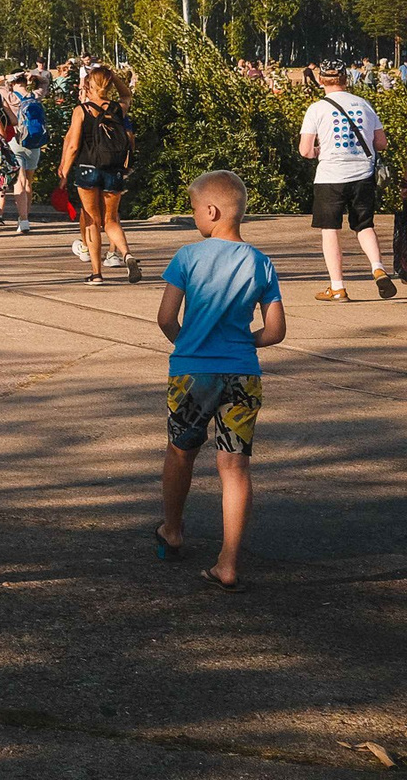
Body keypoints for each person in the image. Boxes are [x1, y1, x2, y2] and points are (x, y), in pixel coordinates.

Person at [156, 170, 286, 592]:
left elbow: (165, 318)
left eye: (195, 209)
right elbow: (275, 331)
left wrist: (190, 343)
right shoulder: (261, 262)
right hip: (242, 373)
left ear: (210, 211)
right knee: (234, 466)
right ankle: (228, 562)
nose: (195, 216)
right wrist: (242, 343)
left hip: (192, 371)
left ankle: (172, 531)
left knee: (181, 453)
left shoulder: (188, 258)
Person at [298, 60, 392, 301]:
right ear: (345, 79)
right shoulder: (364, 105)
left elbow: (305, 151)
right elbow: (380, 143)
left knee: (330, 231)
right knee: (364, 225)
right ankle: (377, 267)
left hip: (330, 176)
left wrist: (322, 151)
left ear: (321, 80)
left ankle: (338, 287)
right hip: (362, 175)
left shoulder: (317, 109)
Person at [58, 64, 139, 285]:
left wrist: (64, 173)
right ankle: (126, 254)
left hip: (88, 169)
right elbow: (127, 94)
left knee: (92, 220)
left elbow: (73, 146)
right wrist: (114, 77)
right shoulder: (118, 108)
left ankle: (96, 273)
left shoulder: (81, 110)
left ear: (88, 85)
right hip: (113, 169)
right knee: (111, 220)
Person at [0, 72, 48, 235]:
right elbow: (45, 82)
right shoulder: (35, 95)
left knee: (20, 181)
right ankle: (26, 218)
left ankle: (23, 218)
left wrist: (7, 77)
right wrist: (34, 76)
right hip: (34, 143)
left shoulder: (10, 96)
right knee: (29, 182)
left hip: (16, 141)